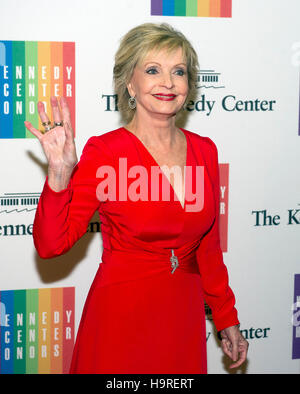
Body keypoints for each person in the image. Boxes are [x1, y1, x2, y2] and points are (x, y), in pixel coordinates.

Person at [24, 23, 248, 374]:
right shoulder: (106, 152)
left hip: (183, 318)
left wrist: (226, 318)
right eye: (153, 70)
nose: (168, 82)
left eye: (179, 71)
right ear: (130, 83)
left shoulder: (204, 151)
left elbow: (208, 249)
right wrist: (59, 175)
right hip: (121, 318)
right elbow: (52, 245)